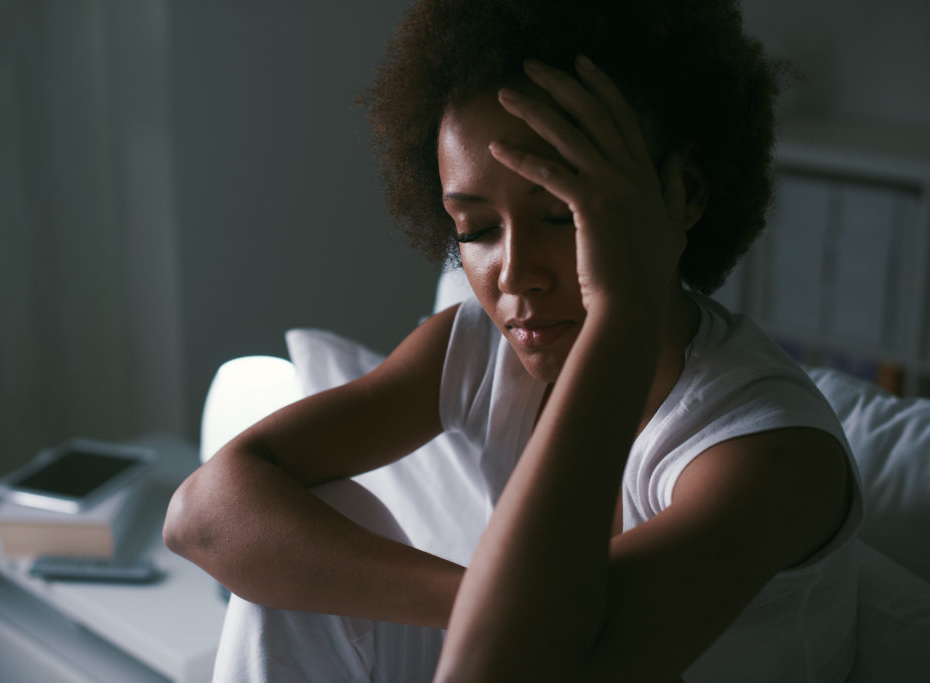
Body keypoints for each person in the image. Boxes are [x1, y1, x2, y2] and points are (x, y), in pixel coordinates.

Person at [164, 1, 862, 680]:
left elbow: (509, 665)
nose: (515, 275)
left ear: (682, 194)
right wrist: (478, 602)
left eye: (562, 214)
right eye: (477, 230)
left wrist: (622, 311)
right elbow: (201, 512)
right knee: (313, 543)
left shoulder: (769, 454)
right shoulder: (479, 350)